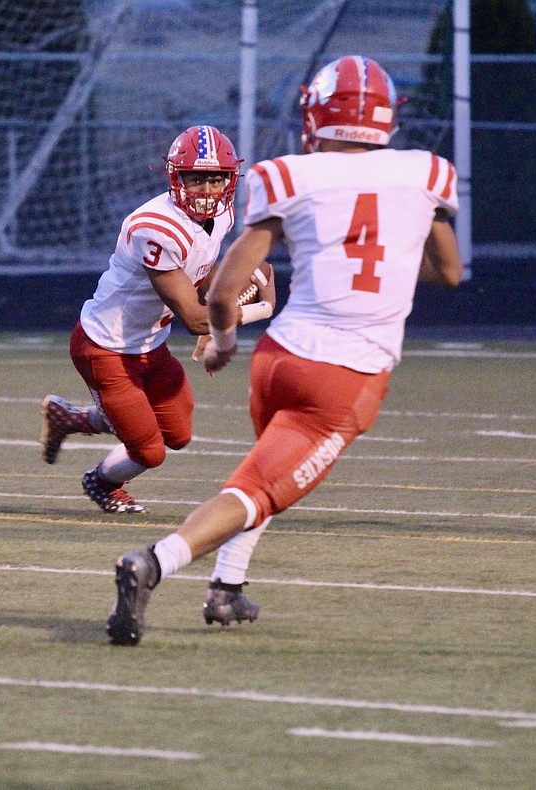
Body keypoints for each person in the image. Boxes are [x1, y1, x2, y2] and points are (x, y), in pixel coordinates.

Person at [106, 55, 463, 647]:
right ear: (387, 120)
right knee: (257, 490)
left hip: (280, 357)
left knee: (261, 470)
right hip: (348, 372)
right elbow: (449, 270)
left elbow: (222, 293)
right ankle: (155, 561)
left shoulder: (288, 175)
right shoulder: (425, 172)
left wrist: (221, 345)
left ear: (314, 114)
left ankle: (227, 587)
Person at [40, 124, 274, 521]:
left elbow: (203, 266)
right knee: (149, 451)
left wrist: (237, 285)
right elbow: (196, 319)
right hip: (106, 347)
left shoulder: (222, 216)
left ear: (229, 180)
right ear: (175, 177)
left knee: (178, 433)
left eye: (215, 180)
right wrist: (242, 311)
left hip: (148, 342)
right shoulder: (155, 227)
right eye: (195, 179)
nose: (205, 190)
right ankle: (102, 481)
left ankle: (73, 418)